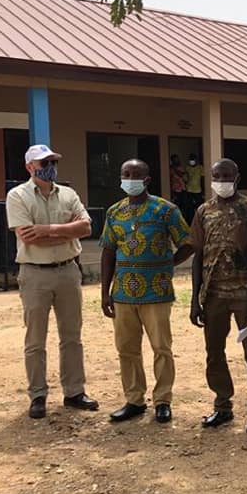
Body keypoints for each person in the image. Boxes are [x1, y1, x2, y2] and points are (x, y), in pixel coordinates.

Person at [5, 144, 99, 420]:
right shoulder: (18, 196)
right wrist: (68, 232)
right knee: (35, 338)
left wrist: (47, 230)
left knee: (72, 335)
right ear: (29, 167)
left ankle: (74, 391)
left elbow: (87, 227)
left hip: (68, 271)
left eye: (52, 161)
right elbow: (28, 237)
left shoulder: (68, 194)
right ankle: (38, 394)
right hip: (35, 273)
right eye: (43, 162)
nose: (49, 166)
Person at [101, 160, 193, 424]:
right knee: (127, 349)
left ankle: (163, 400)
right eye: (126, 174)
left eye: (136, 175)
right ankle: (134, 400)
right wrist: (105, 292)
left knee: (161, 348)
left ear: (147, 179)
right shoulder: (114, 212)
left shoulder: (165, 210)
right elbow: (108, 251)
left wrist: (169, 263)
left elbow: (187, 242)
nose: (130, 179)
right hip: (122, 294)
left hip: (157, 292)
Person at [190, 159, 247, 433]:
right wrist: (194, 299)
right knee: (214, 353)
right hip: (213, 295)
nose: (221, 180)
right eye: (216, 176)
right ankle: (222, 406)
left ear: (237, 177)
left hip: (244, 295)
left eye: (226, 176)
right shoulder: (203, 211)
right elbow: (197, 255)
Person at [183, 153, 205, 225]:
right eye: (190, 160)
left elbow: (202, 178)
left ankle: (200, 222)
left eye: (193, 159)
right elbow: (185, 178)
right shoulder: (187, 168)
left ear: (196, 160)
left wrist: (203, 191)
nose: (192, 161)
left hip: (198, 190)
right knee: (189, 208)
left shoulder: (200, 167)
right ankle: (190, 222)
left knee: (199, 207)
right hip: (189, 190)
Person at [169, 154, 189, 219]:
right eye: (175, 160)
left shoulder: (181, 167)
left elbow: (185, 177)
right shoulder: (171, 169)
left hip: (183, 189)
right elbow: (176, 176)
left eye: (177, 159)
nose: (176, 161)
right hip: (176, 190)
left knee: (185, 207)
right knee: (177, 207)